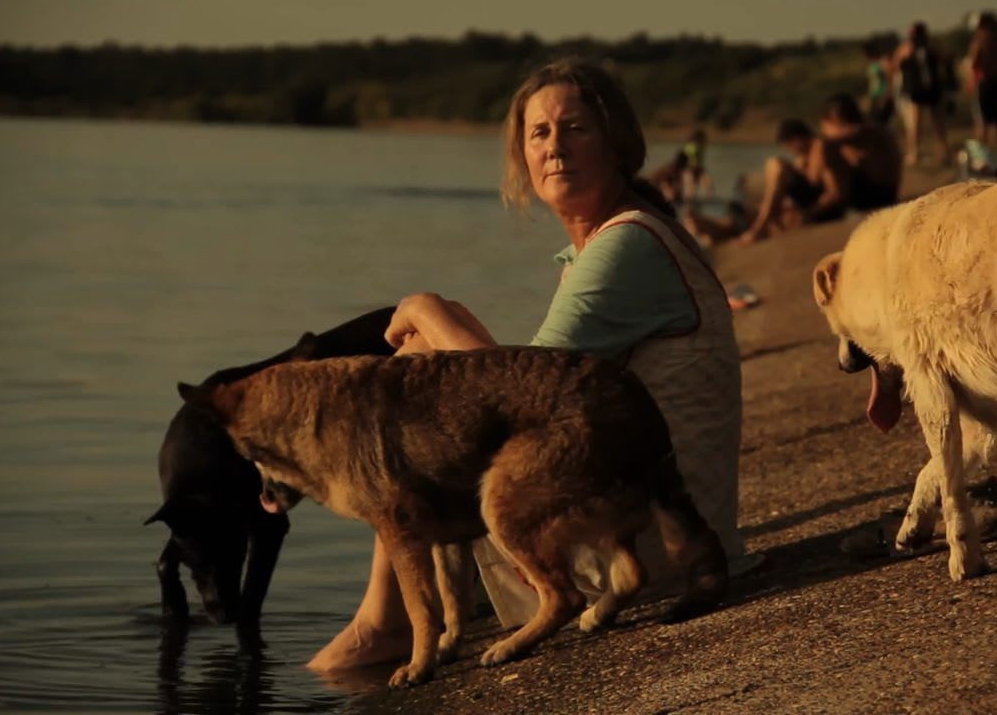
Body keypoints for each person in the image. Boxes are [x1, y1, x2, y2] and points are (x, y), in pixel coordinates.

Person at [305, 58, 748, 672]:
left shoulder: (627, 246)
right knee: (427, 363)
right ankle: (390, 619)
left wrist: (431, 311)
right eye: (539, 134)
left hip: (651, 542)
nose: (556, 148)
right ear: (522, 154)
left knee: (419, 371)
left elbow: (527, 397)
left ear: (617, 142)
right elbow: (535, 392)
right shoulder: (617, 242)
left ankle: (385, 621)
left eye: (576, 129)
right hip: (661, 520)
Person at [738, 118, 846, 242]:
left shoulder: (821, 147)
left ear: (796, 139)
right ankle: (762, 224)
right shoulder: (802, 159)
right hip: (808, 206)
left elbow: (836, 193)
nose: (790, 150)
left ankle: (760, 227)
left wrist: (808, 213)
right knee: (773, 168)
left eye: (788, 146)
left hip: (825, 212)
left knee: (776, 165)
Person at [893, 22, 951, 166]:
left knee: (938, 121)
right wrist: (906, 53)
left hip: (932, 87)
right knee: (915, 122)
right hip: (915, 88)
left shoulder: (932, 46)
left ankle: (942, 150)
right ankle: (914, 152)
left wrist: (932, 48)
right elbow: (895, 65)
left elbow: (945, 59)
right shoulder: (906, 47)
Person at [966, 11, 997, 148]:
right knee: (996, 119)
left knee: (982, 121)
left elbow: (973, 63)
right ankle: (995, 147)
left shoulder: (980, 40)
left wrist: (970, 79)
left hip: (983, 82)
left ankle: (982, 151)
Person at [862, 37, 896, 124]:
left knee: (880, 121)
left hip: (883, 95)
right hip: (874, 96)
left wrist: (887, 96)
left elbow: (890, 79)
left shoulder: (883, 62)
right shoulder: (872, 64)